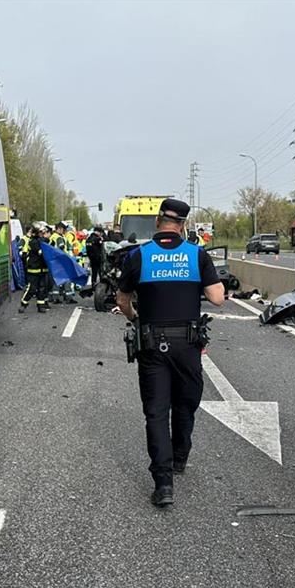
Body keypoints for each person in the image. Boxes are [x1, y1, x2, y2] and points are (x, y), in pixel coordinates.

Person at [116, 198, 226, 507]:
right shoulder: (196, 255)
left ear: (157, 223)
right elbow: (217, 298)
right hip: (188, 346)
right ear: (183, 225)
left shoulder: (138, 256)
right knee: (186, 403)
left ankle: (163, 484)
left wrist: (135, 317)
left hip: (151, 344)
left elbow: (122, 299)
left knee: (155, 411)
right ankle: (179, 457)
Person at [19, 223, 50, 313]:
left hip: (42, 269)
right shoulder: (33, 242)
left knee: (42, 288)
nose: (43, 234)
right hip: (34, 269)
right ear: (37, 233)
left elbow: (46, 242)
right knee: (32, 289)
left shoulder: (42, 241)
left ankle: (40, 306)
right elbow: (41, 252)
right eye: (41, 232)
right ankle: (23, 304)